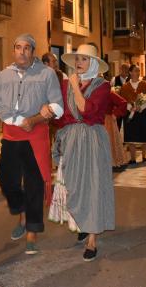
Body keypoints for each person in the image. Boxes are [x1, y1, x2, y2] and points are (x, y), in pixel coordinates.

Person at [0, 33, 63, 255]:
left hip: (35, 134)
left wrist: (36, 119)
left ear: (33, 51)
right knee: (7, 180)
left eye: (26, 48)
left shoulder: (47, 74)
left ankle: (31, 230)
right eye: (18, 47)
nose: (22, 51)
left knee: (34, 184)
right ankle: (21, 209)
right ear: (13, 50)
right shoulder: (3, 76)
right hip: (10, 135)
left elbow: (57, 107)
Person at [51, 44, 114, 261]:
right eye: (77, 58)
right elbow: (61, 114)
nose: (79, 63)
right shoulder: (65, 84)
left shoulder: (102, 86)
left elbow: (87, 111)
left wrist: (76, 88)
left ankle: (92, 240)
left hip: (92, 139)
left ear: (93, 63)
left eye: (84, 59)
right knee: (74, 186)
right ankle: (84, 223)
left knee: (93, 186)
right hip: (71, 139)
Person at [120, 64, 146, 165]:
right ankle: (133, 158)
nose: (137, 73)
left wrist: (140, 107)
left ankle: (144, 155)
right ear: (130, 72)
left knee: (144, 135)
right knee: (131, 136)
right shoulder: (125, 86)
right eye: (135, 71)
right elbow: (124, 100)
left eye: (138, 71)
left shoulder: (145, 84)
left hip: (143, 112)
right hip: (130, 113)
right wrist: (131, 107)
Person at [105, 90, 129, 171]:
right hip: (93, 122)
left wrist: (115, 114)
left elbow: (123, 103)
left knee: (108, 142)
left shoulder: (108, 92)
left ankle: (108, 162)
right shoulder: (88, 90)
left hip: (107, 121)